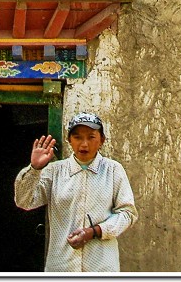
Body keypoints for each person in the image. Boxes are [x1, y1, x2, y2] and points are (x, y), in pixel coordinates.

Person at [14, 112, 137, 272]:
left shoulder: (113, 170)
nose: (84, 144)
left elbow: (127, 213)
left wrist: (94, 231)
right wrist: (35, 169)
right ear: (69, 140)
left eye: (91, 137)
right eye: (77, 137)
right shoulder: (54, 171)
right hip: (61, 267)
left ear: (102, 140)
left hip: (101, 267)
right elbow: (25, 202)